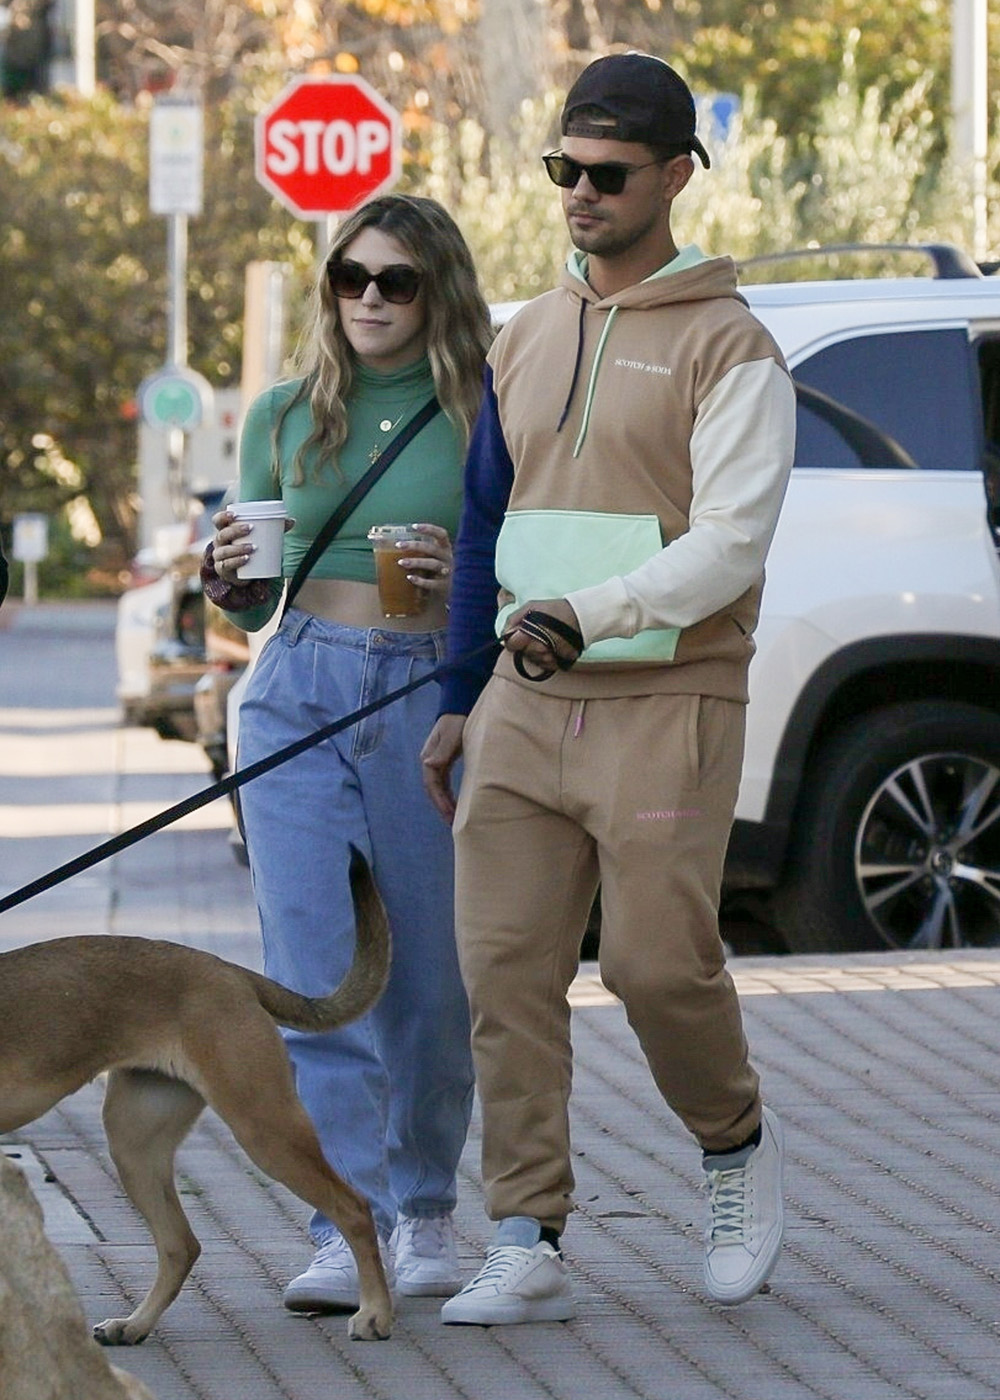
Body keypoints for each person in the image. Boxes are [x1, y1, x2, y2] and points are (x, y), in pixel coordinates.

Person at [421, 52, 797, 1325]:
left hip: (667, 699)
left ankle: (734, 1142)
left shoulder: (732, 345)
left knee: (652, 965)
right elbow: (485, 525)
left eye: (608, 172)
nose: (579, 192)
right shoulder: (523, 332)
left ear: (678, 174)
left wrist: (592, 614)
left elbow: (731, 543)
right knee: (505, 970)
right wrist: (460, 694)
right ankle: (523, 1227)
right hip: (524, 702)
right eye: (562, 169)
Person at [203, 194, 493, 1311]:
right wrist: (228, 576)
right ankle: (341, 1218)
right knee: (318, 977)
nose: (368, 299)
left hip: (429, 692)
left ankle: (423, 1209)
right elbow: (253, 598)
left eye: (397, 281)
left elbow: (513, 565)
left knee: (426, 978)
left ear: (438, 292)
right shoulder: (282, 412)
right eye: (349, 277)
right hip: (297, 689)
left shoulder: (481, 410)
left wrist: (458, 578)